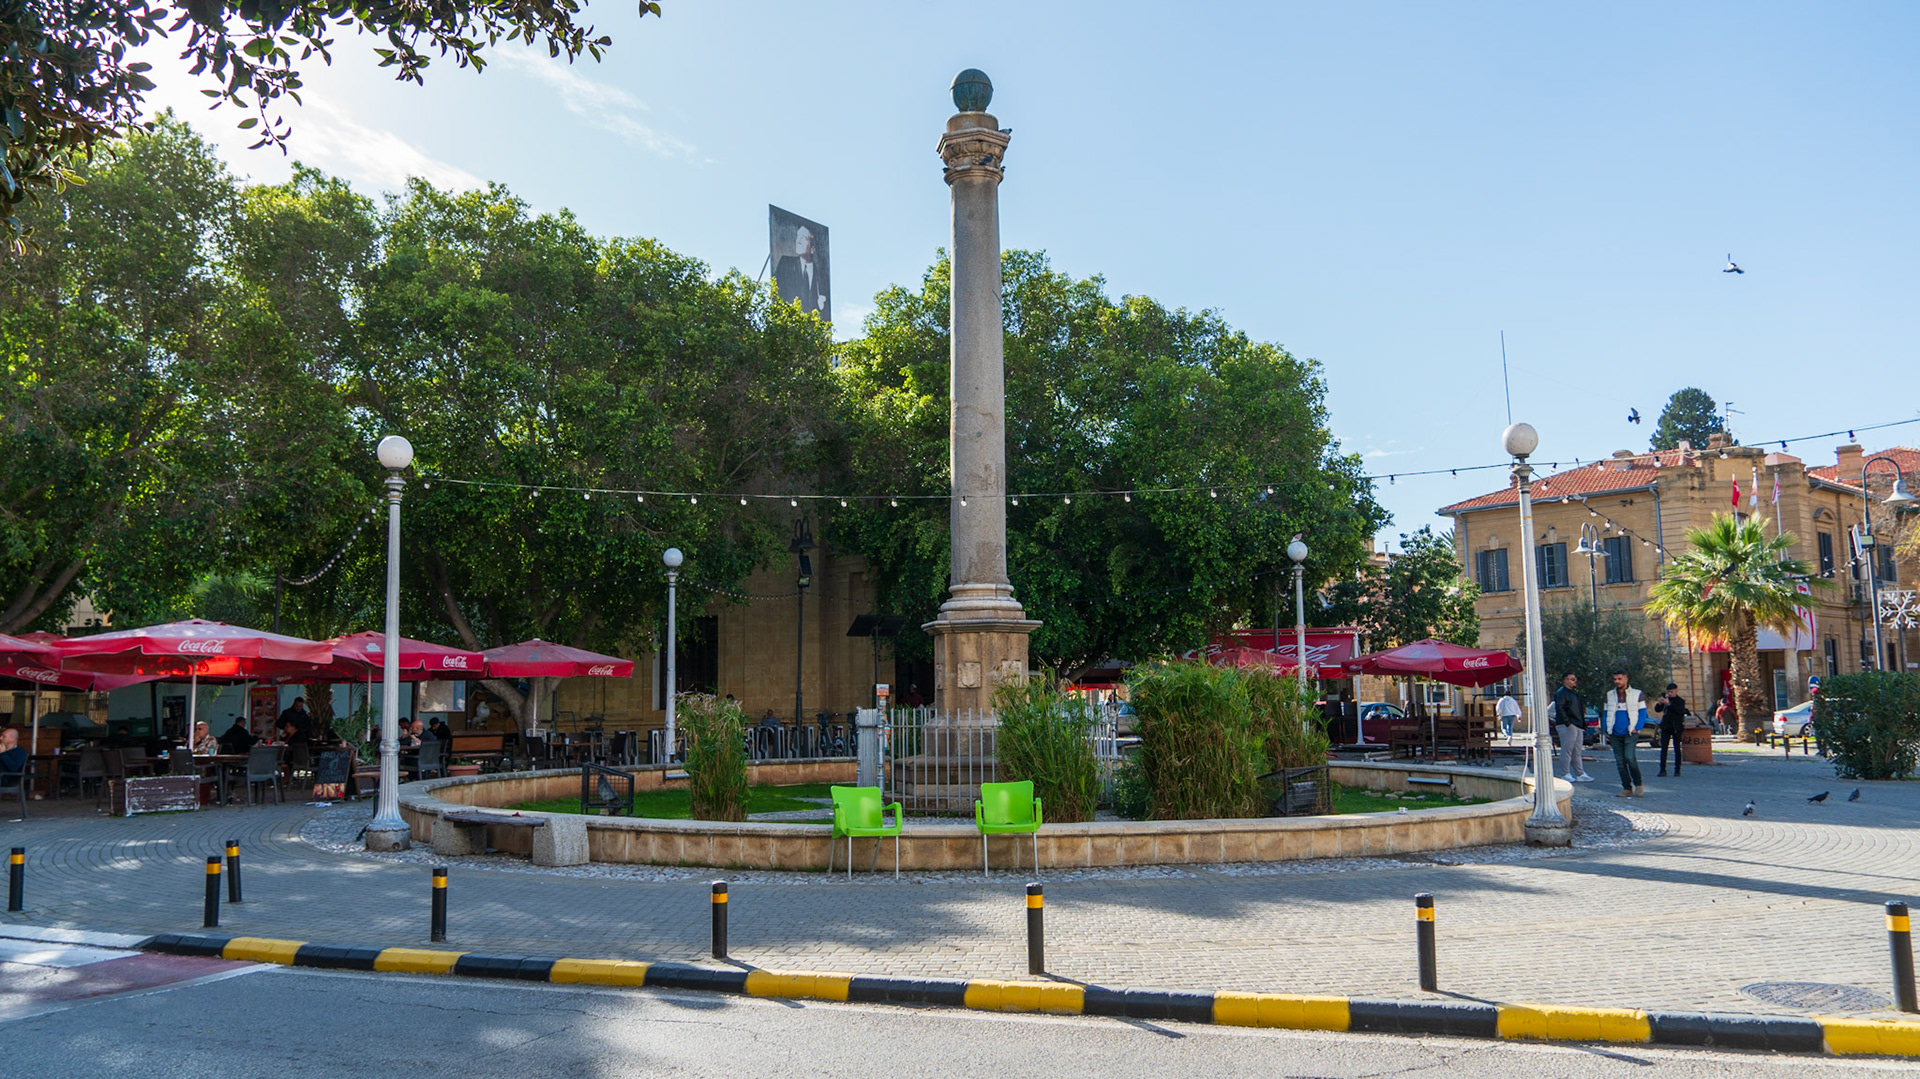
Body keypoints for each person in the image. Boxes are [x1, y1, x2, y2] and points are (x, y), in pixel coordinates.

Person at [1601, 670, 1648, 797]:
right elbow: (1606, 713)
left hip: (1630, 732)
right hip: (1615, 733)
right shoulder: (1609, 695)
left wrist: (1637, 727)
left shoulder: (1637, 694)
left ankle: (1638, 784)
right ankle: (1627, 788)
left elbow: (1643, 713)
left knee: (1630, 758)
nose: (1617, 681)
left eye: (1619, 679)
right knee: (1620, 762)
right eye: (1615, 679)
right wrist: (1606, 728)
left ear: (1626, 679)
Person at [773, 222, 828, 317]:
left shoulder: (822, 275)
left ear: (812, 249)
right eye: (798, 236)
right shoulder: (785, 263)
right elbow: (776, 295)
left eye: (804, 238)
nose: (798, 241)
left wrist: (821, 307)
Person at [1552, 673, 1591, 782]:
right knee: (1567, 749)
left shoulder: (1574, 693)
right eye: (1572, 679)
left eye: (1575, 679)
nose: (1574, 681)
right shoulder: (1561, 693)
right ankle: (1565, 773)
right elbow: (1560, 708)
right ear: (1565, 680)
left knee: (1577, 750)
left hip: (1577, 724)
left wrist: (1582, 724)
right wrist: (1568, 723)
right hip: (1568, 724)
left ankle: (1580, 773)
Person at [1653, 683, 1688, 777]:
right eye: (1669, 692)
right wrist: (1660, 703)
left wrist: (1669, 704)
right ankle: (1662, 769)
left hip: (1676, 727)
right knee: (1664, 749)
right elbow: (1657, 709)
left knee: (1677, 749)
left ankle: (1677, 769)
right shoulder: (1666, 700)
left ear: (1676, 691)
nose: (1670, 693)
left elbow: (1680, 711)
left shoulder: (1680, 701)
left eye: (1672, 692)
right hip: (1666, 727)